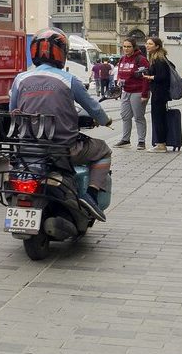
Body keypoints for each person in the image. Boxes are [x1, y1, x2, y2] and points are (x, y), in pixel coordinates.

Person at [8, 28, 113, 221]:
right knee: (104, 150)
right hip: (63, 149)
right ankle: (91, 194)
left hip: (26, 149)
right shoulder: (69, 80)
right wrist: (106, 121)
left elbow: (12, 109)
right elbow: (94, 109)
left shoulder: (20, 79)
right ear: (62, 53)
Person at [114, 37, 150, 149]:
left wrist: (144, 94)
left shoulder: (141, 59)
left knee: (139, 117)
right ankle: (125, 139)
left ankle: (141, 141)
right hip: (125, 91)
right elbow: (120, 73)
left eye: (129, 46)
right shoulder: (122, 59)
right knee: (125, 116)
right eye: (124, 46)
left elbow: (146, 78)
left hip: (138, 92)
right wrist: (119, 81)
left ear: (134, 47)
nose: (126, 49)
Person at [142, 36, 174, 152]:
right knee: (158, 117)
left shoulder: (159, 59)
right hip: (159, 92)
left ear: (157, 46)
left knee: (158, 118)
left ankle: (161, 144)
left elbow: (163, 76)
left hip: (159, 93)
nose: (147, 46)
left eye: (150, 44)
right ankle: (161, 143)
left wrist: (149, 77)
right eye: (147, 43)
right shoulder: (156, 58)